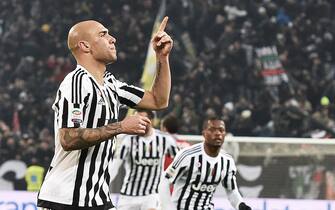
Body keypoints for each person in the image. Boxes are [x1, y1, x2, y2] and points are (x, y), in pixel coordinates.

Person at [37, 16, 173, 210]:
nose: (113, 39)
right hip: (65, 199)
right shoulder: (76, 83)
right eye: (103, 34)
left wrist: (162, 58)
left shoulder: (112, 84)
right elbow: (68, 138)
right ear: (85, 46)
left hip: (98, 198)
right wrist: (120, 127)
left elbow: (158, 100)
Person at [159, 117, 252, 210]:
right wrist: (168, 207)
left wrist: (241, 205)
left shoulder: (227, 161)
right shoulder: (188, 155)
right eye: (212, 130)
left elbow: (231, 190)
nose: (218, 133)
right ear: (204, 134)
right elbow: (165, 180)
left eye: (221, 130)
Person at [110, 109, 178, 210]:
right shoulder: (128, 140)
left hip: (151, 195)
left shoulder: (165, 140)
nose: (138, 123)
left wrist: (167, 178)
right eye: (136, 120)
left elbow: (179, 161)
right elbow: (115, 166)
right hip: (128, 196)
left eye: (142, 119)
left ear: (151, 121)